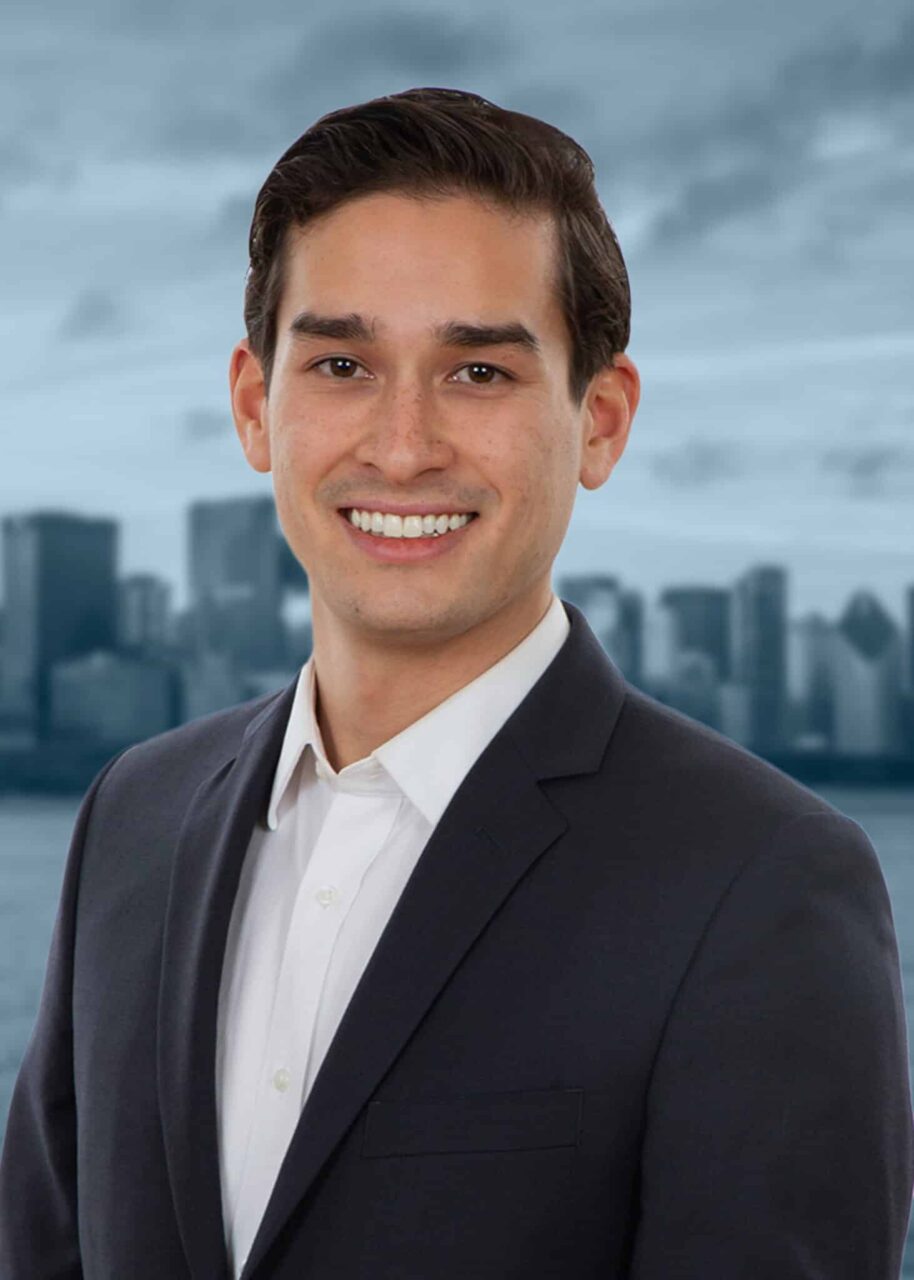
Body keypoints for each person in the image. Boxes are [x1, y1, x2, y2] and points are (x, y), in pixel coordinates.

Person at [1, 86, 911, 1280]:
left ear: (598, 420)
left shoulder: (760, 884)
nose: (401, 445)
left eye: (477, 371)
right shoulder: (133, 817)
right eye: (341, 363)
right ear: (254, 405)